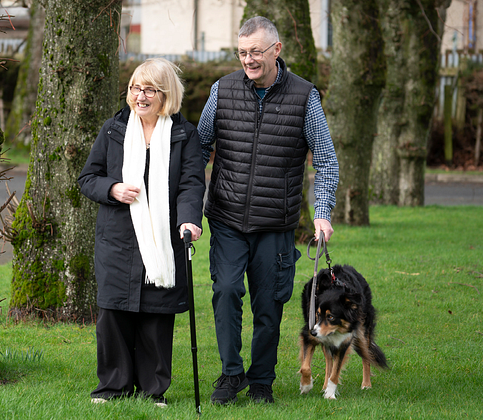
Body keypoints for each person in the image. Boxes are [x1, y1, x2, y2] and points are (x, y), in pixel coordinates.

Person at [197, 16, 339, 405]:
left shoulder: (304, 96)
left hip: (275, 223)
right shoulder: (222, 90)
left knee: (268, 303)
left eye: (256, 52)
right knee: (225, 291)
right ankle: (230, 375)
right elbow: (198, 148)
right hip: (226, 217)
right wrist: (190, 208)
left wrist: (322, 211)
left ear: (276, 50)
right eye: (242, 52)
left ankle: (261, 380)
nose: (248, 60)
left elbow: (325, 161)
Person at [78, 57, 206, 407]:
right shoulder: (114, 129)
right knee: (115, 313)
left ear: (166, 95)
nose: (140, 96)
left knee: (155, 314)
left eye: (149, 89)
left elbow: (191, 185)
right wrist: (113, 189)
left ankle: (153, 390)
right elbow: (87, 179)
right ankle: (113, 387)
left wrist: (189, 219)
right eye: (135, 88)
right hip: (117, 237)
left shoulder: (184, 135)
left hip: (163, 240)